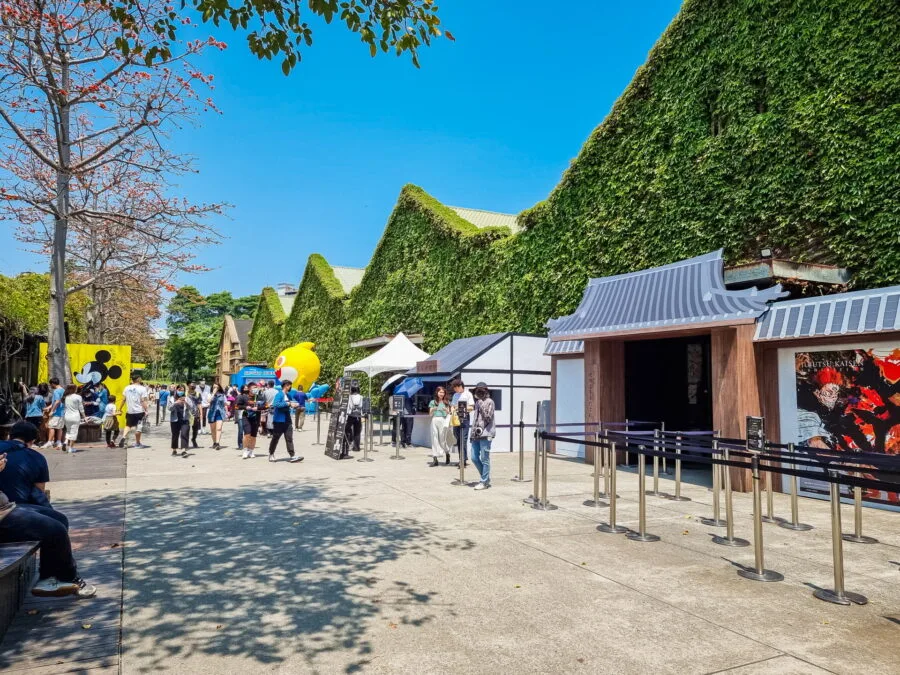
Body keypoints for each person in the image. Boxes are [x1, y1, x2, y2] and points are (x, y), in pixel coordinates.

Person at [0, 436, 96, 598]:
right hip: (2, 515)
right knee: (55, 530)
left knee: (59, 519)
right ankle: (66, 577)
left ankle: (48, 576)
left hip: (5, 507)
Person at [268, 380, 303, 463]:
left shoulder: (288, 395)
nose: (290, 387)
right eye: (289, 385)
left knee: (289, 438)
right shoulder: (279, 394)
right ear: (285, 385)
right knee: (275, 438)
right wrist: (288, 404)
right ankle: (271, 454)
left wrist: (296, 405)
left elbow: (292, 403)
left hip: (287, 420)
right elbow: (276, 404)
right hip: (279, 420)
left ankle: (292, 456)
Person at [469, 383, 496, 490]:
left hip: (486, 433)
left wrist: (481, 404)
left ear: (486, 390)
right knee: (474, 457)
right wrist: (472, 434)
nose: (479, 392)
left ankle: (484, 481)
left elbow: (488, 417)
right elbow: (475, 419)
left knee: (485, 459)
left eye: (481, 390)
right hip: (476, 434)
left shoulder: (490, 402)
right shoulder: (477, 402)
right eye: (477, 390)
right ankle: (486, 478)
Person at [120, 374, 149, 449]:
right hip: (139, 411)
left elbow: (123, 399)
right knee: (138, 427)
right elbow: (143, 400)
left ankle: (123, 437)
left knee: (128, 425)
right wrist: (146, 410)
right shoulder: (142, 388)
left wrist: (119, 408)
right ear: (138, 379)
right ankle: (137, 443)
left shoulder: (127, 388)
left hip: (130, 411)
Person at [450, 379, 474, 468]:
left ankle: (462, 460)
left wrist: (461, 408)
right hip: (456, 418)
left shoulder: (468, 394)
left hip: (464, 418)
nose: (455, 390)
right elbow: (452, 406)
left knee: (463, 439)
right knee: (458, 439)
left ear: (460, 386)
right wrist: (453, 409)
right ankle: (462, 458)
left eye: (456, 388)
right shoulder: (455, 395)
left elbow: (471, 407)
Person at [428, 386, 453, 467]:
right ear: (437, 392)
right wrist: (435, 408)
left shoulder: (447, 402)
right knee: (434, 438)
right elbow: (430, 414)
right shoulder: (433, 402)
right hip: (434, 420)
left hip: (443, 420)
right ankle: (435, 459)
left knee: (443, 440)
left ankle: (447, 453)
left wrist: (447, 410)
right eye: (440, 392)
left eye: (443, 392)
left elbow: (450, 413)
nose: (441, 394)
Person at [43, 378, 65, 450]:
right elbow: (56, 402)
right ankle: (58, 441)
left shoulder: (56, 391)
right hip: (62, 412)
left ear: (53, 384)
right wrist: (49, 407)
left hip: (56, 412)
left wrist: (52, 410)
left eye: (50, 384)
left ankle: (49, 441)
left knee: (51, 427)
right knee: (59, 428)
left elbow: (57, 401)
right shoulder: (63, 390)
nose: (50, 386)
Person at [341, 386, 363, 457]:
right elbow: (362, 406)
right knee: (357, 431)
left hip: (350, 415)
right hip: (358, 415)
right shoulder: (361, 397)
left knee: (347, 429)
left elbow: (349, 406)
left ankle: (348, 443)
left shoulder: (349, 397)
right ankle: (356, 447)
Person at [169, 385, 190, 458]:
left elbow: (192, 408)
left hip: (185, 419)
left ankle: (184, 450)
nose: (180, 391)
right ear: (176, 390)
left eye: (182, 390)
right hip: (175, 420)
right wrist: (176, 402)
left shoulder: (187, 398)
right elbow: (169, 408)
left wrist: (186, 403)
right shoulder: (172, 398)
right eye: (179, 390)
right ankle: (174, 449)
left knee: (184, 434)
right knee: (175, 435)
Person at [208, 384, 227, 450]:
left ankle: (217, 443)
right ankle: (214, 442)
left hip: (220, 413)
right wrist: (213, 394)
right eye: (214, 387)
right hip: (212, 413)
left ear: (219, 388)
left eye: (217, 387)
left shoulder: (223, 395)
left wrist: (227, 413)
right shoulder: (210, 394)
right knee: (213, 430)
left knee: (218, 428)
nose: (215, 388)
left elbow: (225, 404)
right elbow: (208, 401)